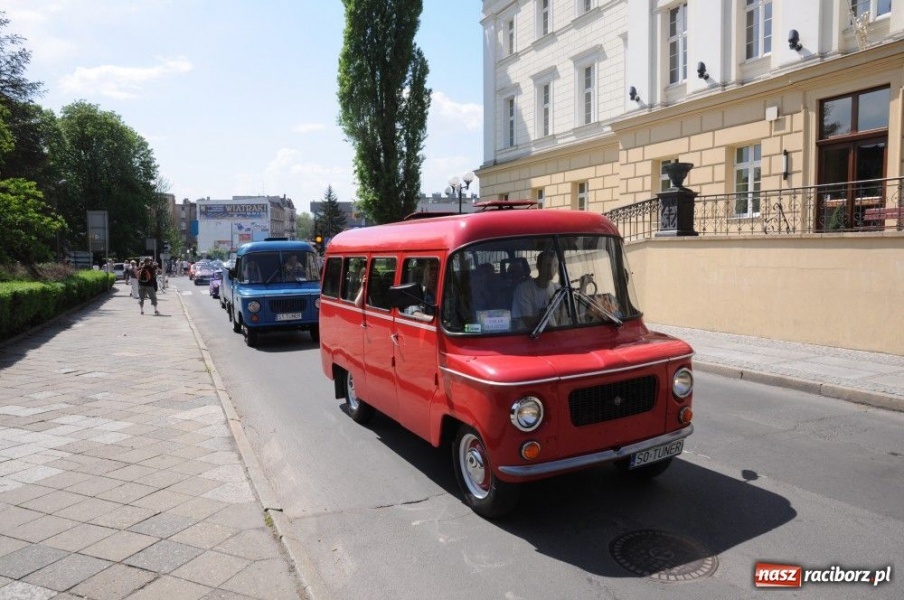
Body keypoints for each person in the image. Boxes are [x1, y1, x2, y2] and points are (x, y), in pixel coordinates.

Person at [511, 250, 559, 329]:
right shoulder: (523, 289)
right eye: (547, 265)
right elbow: (529, 323)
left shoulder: (558, 289)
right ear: (538, 266)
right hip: (529, 336)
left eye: (555, 265)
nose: (551, 269)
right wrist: (545, 312)